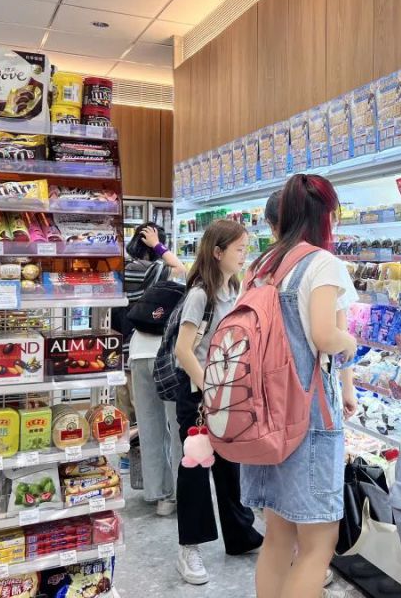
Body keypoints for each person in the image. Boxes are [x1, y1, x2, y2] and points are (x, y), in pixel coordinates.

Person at [241, 174, 359, 598]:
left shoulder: (260, 267)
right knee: (317, 544)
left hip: (261, 416)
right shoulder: (322, 263)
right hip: (307, 417)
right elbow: (326, 336)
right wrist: (351, 343)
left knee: (277, 536)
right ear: (325, 215)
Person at [173, 220, 263, 584]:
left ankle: (240, 535)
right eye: (239, 249)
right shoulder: (201, 295)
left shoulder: (236, 290)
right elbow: (183, 350)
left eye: (245, 249)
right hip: (199, 395)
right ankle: (189, 548)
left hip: (228, 394)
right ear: (217, 252)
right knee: (195, 468)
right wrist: (208, 390)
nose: (244, 255)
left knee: (231, 465)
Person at [123, 224, 187, 518]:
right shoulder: (154, 270)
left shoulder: (125, 271)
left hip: (137, 353)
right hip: (164, 355)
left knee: (149, 427)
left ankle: (157, 494)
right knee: (175, 428)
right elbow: (181, 268)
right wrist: (159, 246)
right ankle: (177, 494)